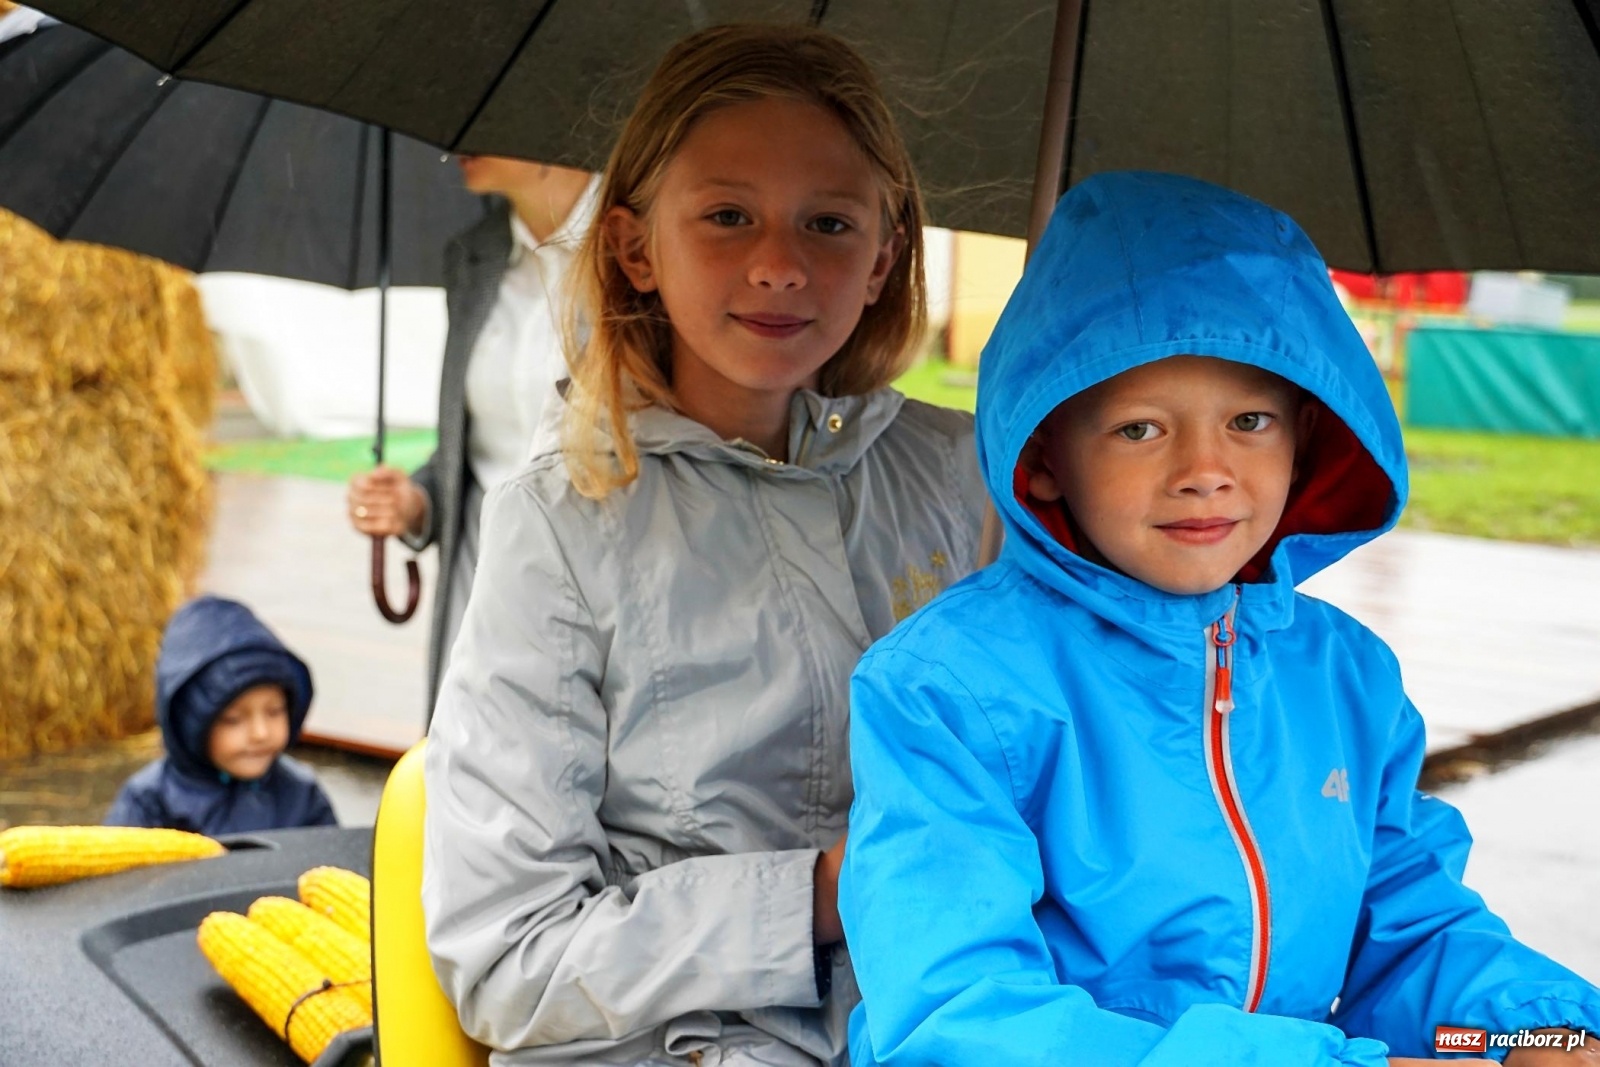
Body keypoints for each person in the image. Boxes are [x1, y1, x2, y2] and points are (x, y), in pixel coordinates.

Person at [838, 172, 1600, 1067]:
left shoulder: (1346, 677)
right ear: (1042, 458)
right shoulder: (944, 687)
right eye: (1139, 429)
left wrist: (1536, 1031)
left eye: (1248, 419)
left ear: (1306, 439)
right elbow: (958, 1013)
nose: (1206, 469)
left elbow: (1412, 933)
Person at [422, 23, 986, 1066]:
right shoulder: (558, 528)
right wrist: (815, 896)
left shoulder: (972, 483)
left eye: (828, 222)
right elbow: (509, 960)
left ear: (885, 256)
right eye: (727, 215)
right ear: (636, 246)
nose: (779, 264)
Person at [346, 155, 599, 710]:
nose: (458, 141)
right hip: (480, 593)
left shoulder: (645, 248)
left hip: (598, 603)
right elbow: (475, 443)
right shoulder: (472, 257)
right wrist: (417, 502)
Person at [106, 595, 337, 834]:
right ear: (190, 726)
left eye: (274, 711)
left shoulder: (302, 795)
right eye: (233, 719)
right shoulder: (148, 803)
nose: (260, 733)